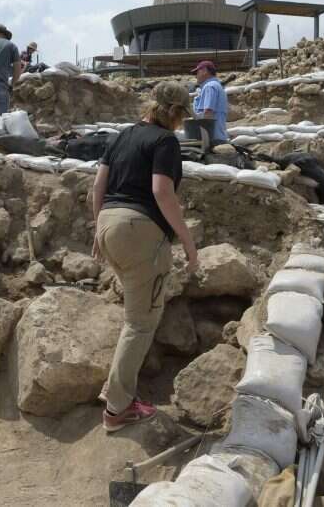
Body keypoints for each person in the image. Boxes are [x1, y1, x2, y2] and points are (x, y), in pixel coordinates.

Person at [91, 82, 199, 432]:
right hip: (140, 231)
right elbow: (161, 191)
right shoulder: (165, 141)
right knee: (140, 324)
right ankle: (118, 409)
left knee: (134, 317)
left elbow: (98, 187)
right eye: (183, 117)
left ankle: (116, 390)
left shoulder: (122, 136)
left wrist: (98, 230)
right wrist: (187, 241)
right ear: (176, 113)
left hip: (109, 223)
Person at [192, 60, 229, 143]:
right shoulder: (217, 86)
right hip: (218, 136)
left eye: (197, 73)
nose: (196, 76)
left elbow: (208, 113)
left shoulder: (209, 86)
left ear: (204, 71)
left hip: (211, 138)